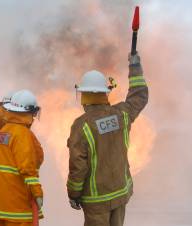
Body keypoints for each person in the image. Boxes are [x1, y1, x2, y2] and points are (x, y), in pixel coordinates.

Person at [67, 53, 148, 226]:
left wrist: (73, 193)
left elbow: (78, 166)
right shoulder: (122, 114)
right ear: (105, 93)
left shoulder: (81, 125)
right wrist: (135, 66)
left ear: (84, 96)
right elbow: (139, 96)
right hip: (120, 193)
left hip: (96, 200)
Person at [0, 90, 45, 226]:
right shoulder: (22, 134)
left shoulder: (4, 131)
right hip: (17, 203)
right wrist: (37, 192)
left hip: (1, 203)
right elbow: (27, 167)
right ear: (28, 111)